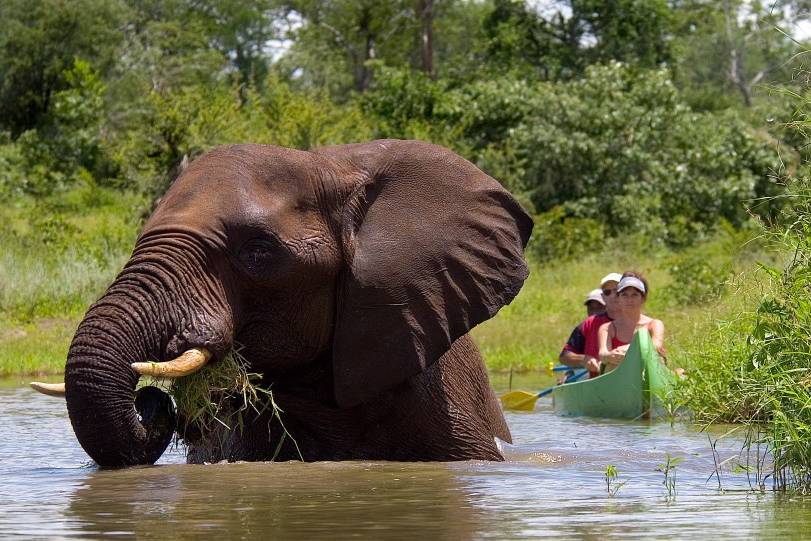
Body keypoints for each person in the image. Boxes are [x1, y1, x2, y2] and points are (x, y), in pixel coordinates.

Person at [597, 271, 665, 373]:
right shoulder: (607, 328)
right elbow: (603, 353)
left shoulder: (654, 324)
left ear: (643, 298)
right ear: (618, 298)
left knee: (657, 358)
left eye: (634, 295)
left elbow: (656, 346)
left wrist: (626, 349)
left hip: (648, 372)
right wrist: (610, 356)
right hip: (619, 375)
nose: (629, 300)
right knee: (610, 364)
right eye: (624, 295)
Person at [559, 273, 622, 378]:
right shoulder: (588, 324)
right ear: (603, 297)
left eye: (617, 291)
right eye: (607, 292)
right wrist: (585, 359)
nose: (612, 296)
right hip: (595, 382)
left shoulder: (639, 322)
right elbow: (564, 357)